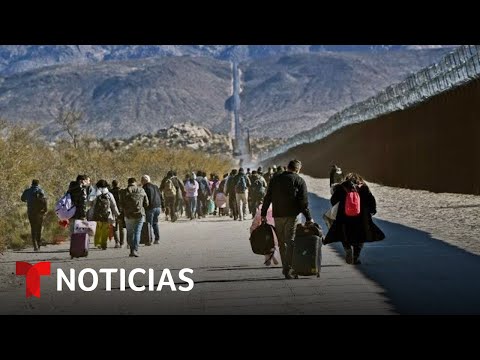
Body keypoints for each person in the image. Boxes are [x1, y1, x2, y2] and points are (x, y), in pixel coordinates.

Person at [261, 159, 313, 279]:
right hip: (292, 215)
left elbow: (268, 197)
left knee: (282, 243)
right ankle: (289, 268)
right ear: (298, 169)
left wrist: (263, 213)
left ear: (287, 167)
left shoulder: (275, 179)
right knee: (291, 241)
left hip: (278, 215)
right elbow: (303, 202)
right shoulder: (299, 180)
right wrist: (309, 218)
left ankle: (286, 267)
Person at [323, 173, 385, 264]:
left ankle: (347, 248)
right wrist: (372, 210)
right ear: (359, 179)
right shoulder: (363, 187)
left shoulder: (341, 187)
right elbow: (371, 200)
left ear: (346, 179)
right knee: (359, 237)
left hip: (344, 216)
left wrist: (339, 207)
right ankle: (355, 257)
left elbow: (333, 200)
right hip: (361, 216)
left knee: (344, 234)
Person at [121, 177, 149, 257]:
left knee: (130, 232)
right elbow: (146, 203)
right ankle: (135, 249)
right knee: (137, 232)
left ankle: (131, 249)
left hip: (128, 215)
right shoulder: (141, 190)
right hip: (139, 214)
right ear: (135, 182)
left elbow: (121, 204)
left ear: (128, 183)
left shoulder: (123, 191)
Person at [91, 179, 120, 250]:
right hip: (107, 214)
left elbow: (90, 204)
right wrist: (117, 213)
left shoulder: (95, 194)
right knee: (105, 229)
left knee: (98, 229)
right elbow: (113, 205)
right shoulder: (109, 194)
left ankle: (98, 243)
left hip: (96, 215)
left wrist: (90, 214)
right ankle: (104, 244)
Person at [21, 179, 47, 251]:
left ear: (31, 184)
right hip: (39, 212)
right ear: (38, 184)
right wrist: (44, 210)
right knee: (39, 228)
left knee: (33, 227)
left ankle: (34, 245)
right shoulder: (41, 190)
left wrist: (28, 200)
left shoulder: (27, 191)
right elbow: (44, 201)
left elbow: (22, 199)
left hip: (31, 212)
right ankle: (38, 244)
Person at [250, 202, 279, 266]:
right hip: (273, 231)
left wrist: (252, 231)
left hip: (264, 232)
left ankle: (267, 258)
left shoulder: (260, 212)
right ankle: (274, 256)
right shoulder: (274, 211)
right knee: (274, 245)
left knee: (266, 246)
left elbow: (255, 223)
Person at [141, 175, 162, 244]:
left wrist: (143, 207)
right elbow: (161, 196)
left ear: (144, 181)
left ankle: (149, 240)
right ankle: (157, 239)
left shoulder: (145, 187)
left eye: (142, 180)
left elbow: (144, 199)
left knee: (148, 224)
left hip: (150, 208)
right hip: (158, 207)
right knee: (155, 223)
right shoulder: (155, 186)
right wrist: (163, 206)